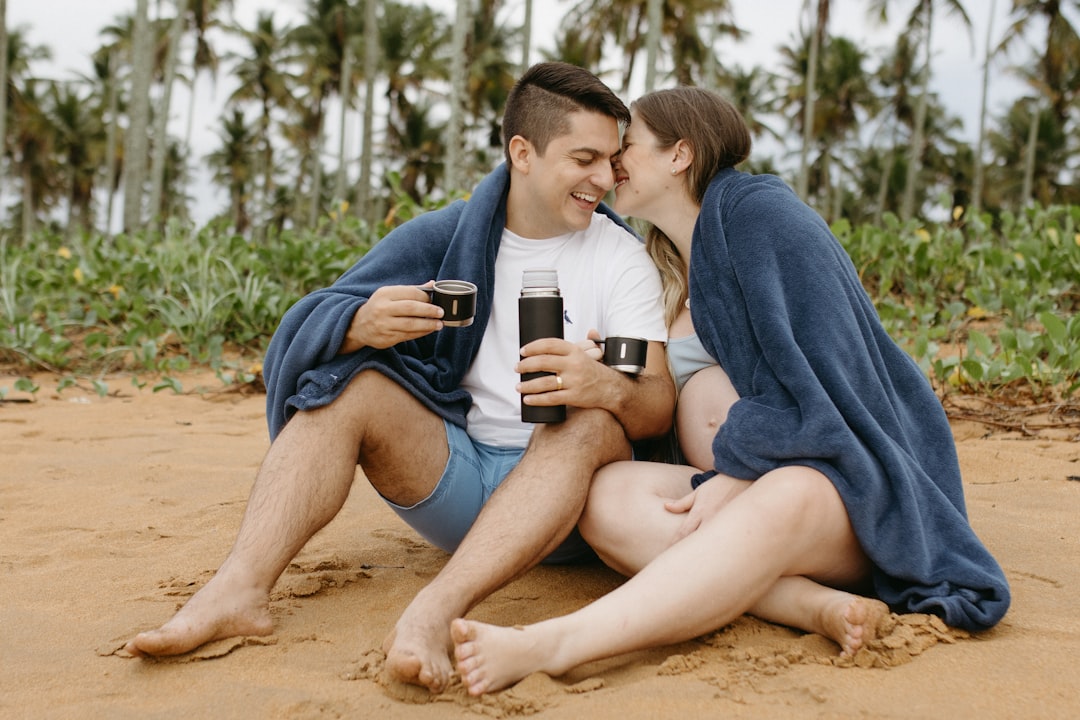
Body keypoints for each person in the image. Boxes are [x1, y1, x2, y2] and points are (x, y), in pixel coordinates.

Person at [124, 62, 675, 694]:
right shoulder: (446, 237)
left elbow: (657, 405)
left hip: (568, 507)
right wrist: (359, 323)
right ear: (522, 153)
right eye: (584, 159)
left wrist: (604, 387)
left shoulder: (620, 258)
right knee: (352, 386)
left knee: (590, 422)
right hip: (458, 480)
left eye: (611, 159)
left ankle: (435, 611)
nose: (604, 178)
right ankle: (235, 592)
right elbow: (311, 321)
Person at [450, 86, 1012, 696]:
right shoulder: (669, 261)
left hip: (846, 485)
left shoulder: (764, 218)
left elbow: (838, 385)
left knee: (788, 492)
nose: (612, 167)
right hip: (734, 484)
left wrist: (743, 472)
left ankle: (556, 644)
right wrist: (606, 370)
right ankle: (810, 605)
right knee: (607, 497)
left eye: (627, 148)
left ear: (680, 154)